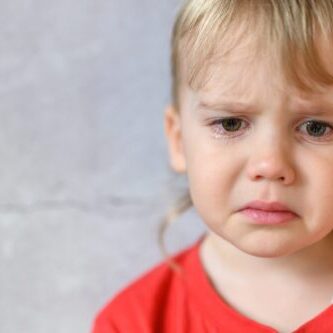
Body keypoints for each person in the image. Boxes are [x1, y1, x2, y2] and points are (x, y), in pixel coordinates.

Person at [91, 0, 333, 332]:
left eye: (316, 128)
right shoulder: (135, 322)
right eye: (231, 124)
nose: (270, 165)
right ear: (178, 141)